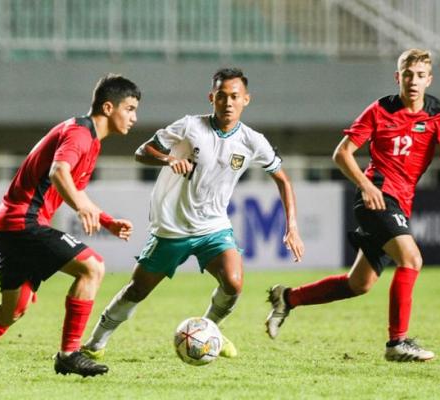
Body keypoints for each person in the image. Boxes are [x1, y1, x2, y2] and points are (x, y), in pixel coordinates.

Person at [81, 67, 304, 360]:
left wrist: (292, 227)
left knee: (234, 283)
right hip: (172, 227)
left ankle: (210, 330)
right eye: (221, 96)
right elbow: (142, 152)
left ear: (246, 100)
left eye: (234, 97)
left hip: (213, 228)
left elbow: (283, 180)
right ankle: (96, 342)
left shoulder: (252, 141)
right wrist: (168, 159)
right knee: (137, 290)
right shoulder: (189, 127)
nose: (228, 103)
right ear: (211, 98)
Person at [265, 49, 440, 362]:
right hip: (375, 194)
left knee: (359, 284)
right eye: (407, 74)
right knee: (412, 259)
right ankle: (397, 344)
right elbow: (342, 153)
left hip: (400, 203)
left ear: (429, 79)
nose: (413, 81)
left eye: (420, 75)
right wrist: (364, 185)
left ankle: (288, 298)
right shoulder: (380, 110)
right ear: (397, 77)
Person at [0, 73, 140, 377]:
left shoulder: (88, 140)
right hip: (24, 221)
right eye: (130, 108)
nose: (135, 117)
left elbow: (71, 184)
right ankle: (69, 354)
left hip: (10, 224)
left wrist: (106, 221)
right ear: (109, 108)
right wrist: (82, 206)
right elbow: (60, 172)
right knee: (93, 267)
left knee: (13, 309)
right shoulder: (80, 134)